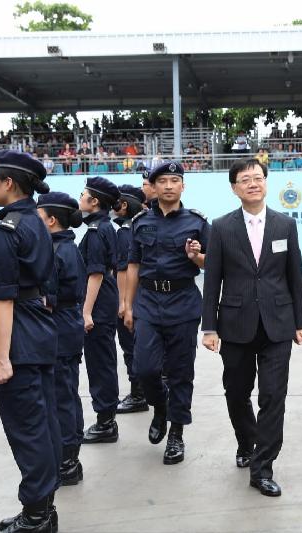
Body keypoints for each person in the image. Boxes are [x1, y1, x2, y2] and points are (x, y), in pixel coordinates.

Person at [201, 158, 302, 497]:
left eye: (258, 178)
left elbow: (295, 276)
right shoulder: (221, 227)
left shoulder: (285, 224)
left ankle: (262, 468)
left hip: (278, 324)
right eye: (245, 179)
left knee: (274, 396)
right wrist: (209, 327)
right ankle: (247, 441)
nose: (252, 183)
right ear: (234, 188)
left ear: (266, 183)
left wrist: (301, 322)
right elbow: (212, 279)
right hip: (235, 325)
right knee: (237, 391)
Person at [0, 149, 60, 533]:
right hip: (40, 330)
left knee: (27, 430)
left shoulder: (7, 231)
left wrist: (3, 357)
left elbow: (3, 298)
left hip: (20, 338)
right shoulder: (37, 222)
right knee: (43, 425)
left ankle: (36, 515)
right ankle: (44, 506)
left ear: (8, 183)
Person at [124, 161, 209, 465]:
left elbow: (209, 265)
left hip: (183, 301)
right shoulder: (140, 222)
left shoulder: (197, 223)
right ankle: (159, 408)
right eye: (163, 181)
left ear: (183, 185)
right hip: (148, 301)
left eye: (175, 180)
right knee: (144, 368)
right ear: (153, 186)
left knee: (180, 372)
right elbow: (133, 266)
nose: (169, 186)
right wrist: (128, 304)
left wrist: (196, 256)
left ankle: (176, 433)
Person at [37, 192, 87, 487]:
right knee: (66, 392)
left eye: (39, 216)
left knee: (62, 395)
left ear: (52, 220)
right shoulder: (63, 247)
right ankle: (69, 455)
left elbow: (50, 298)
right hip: (65, 326)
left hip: (60, 328)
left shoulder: (58, 251)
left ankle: (68, 460)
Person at [78, 176, 121, 444]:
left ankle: (106, 422)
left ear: (94, 202)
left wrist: (85, 312)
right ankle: (107, 418)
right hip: (105, 301)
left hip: (98, 305)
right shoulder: (105, 227)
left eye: (83, 195)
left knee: (100, 362)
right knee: (103, 360)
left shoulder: (96, 232)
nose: (79, 198)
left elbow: (95, 275)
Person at [114, 184, 149, 414]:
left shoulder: (126, 231)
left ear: (124, 205)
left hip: (132, 300)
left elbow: (126, 269)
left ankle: (139, 394)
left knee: (131, 348)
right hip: (140, 298)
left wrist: (124, 303)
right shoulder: (138, 227)